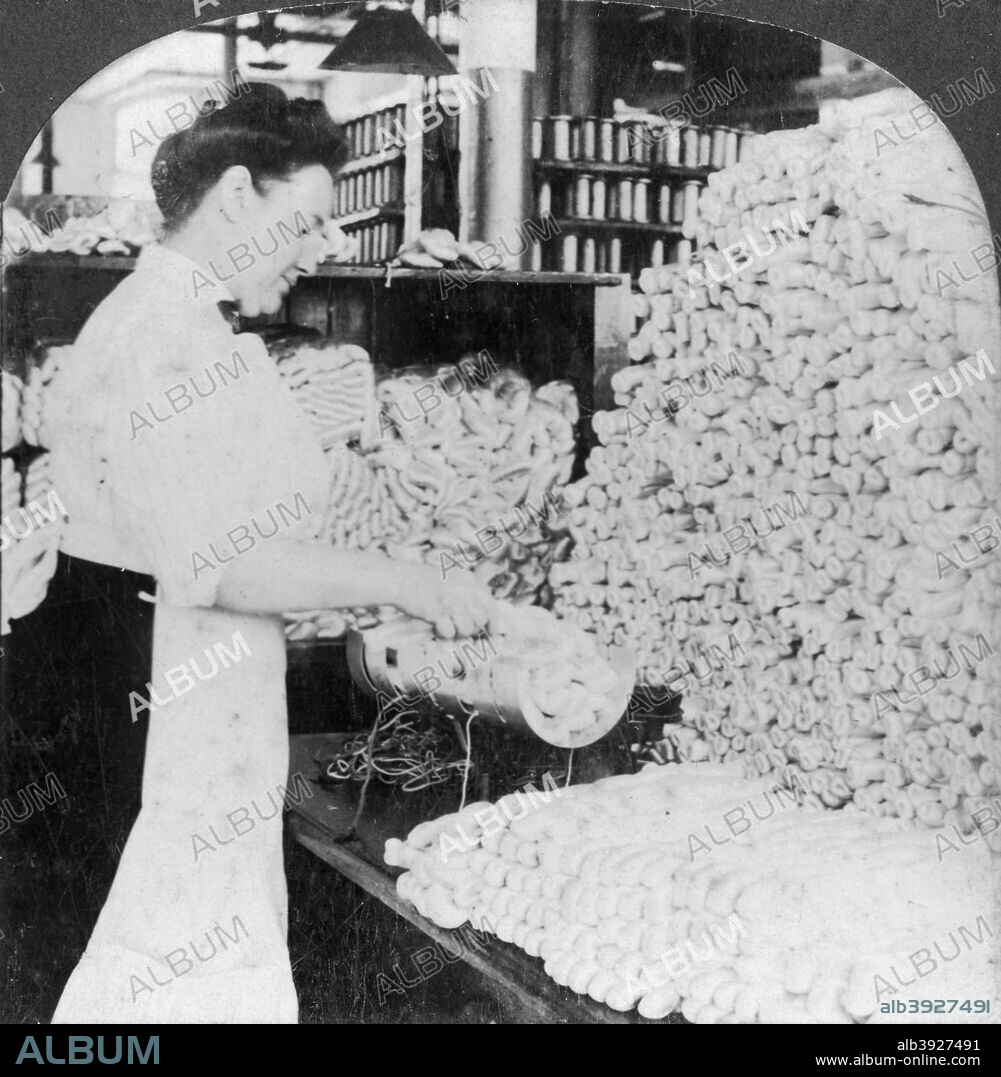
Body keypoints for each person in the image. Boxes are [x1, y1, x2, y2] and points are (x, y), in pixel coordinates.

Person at [14, 83, 494, 1023]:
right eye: (307, 220)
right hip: (154, 704)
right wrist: (412, 581)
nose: (321, 248)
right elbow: (224, 562)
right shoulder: (163, 339)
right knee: (151, 974)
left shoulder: (186, 322)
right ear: (237, 195)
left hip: (186, 690)